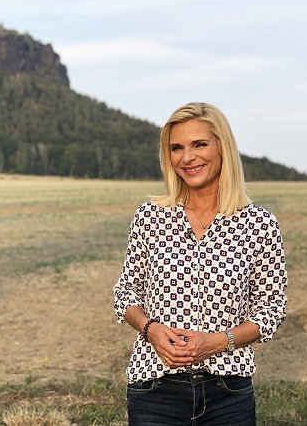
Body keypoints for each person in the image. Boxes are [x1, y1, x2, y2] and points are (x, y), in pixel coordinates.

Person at [113, 102, 287, 425]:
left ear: (223, 147)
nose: (187, 157)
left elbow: (272, 309)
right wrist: (149, 329)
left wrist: (217, 342)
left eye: (199, 144)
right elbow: (125, 293)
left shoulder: (260, 225)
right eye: (177, 148)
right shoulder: (149, 217)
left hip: (228, 394)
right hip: (154, 391)